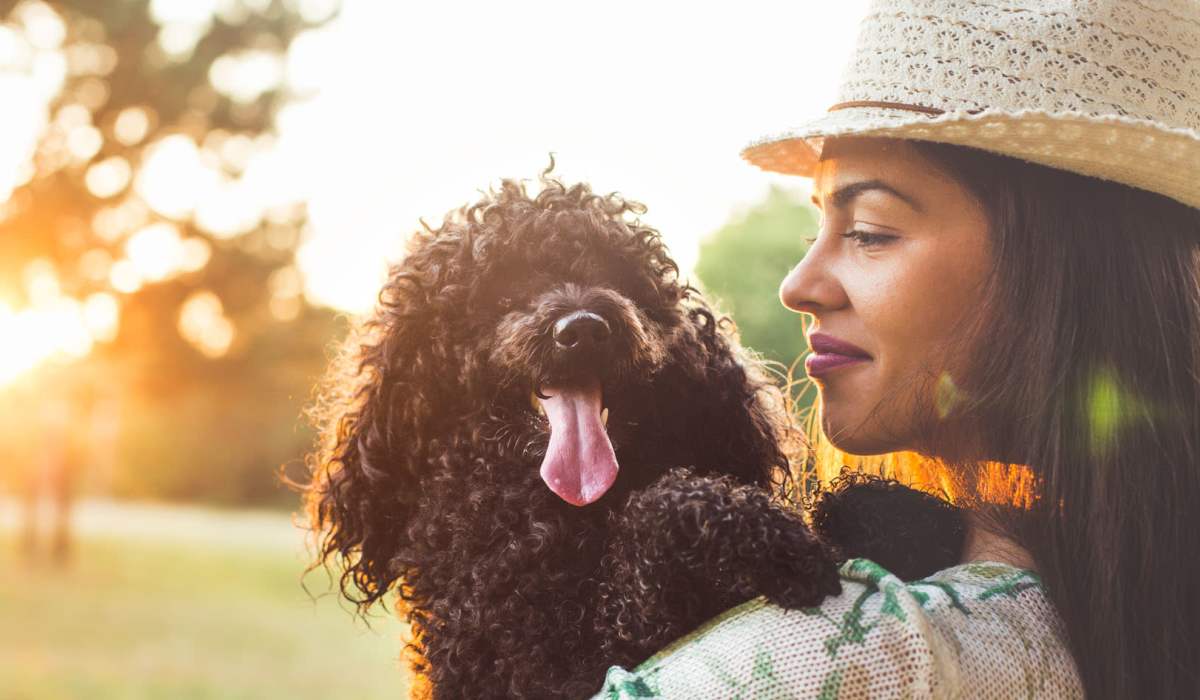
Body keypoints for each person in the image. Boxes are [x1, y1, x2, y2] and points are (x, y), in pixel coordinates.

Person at [593, 1, 1200, 698]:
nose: (798, 286)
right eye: (817, 223)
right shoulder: (1133, 608)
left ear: (1067, 271)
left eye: (871, 230)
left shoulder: (837, 656)